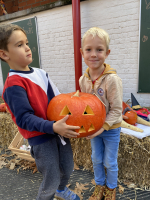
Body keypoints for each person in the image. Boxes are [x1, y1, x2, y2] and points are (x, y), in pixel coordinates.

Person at [0, 24, 81, 200]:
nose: (27, 47)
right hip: (41, 139)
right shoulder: (14, 85)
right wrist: (53, 127)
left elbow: (59, 101)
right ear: (4, 54)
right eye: (19, 45)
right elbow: (24, 119)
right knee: (50, 177)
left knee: (67, 167)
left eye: (27, 43)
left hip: (58, 131)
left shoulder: (41, 73)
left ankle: (61, 190)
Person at [79, 27, 122, 200]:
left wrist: (102, 127)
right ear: (82, 53)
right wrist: (86, 126)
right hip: (94, 128)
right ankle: (100, 186)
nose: (94, 54)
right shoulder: (83, 80)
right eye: (88, 50)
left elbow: (117, 110)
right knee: (96, 159)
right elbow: (84, 107)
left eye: (99, 49)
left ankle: (111, 188)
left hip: (111, 128)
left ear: (107, 52)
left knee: (109, 162)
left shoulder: (112, 80)